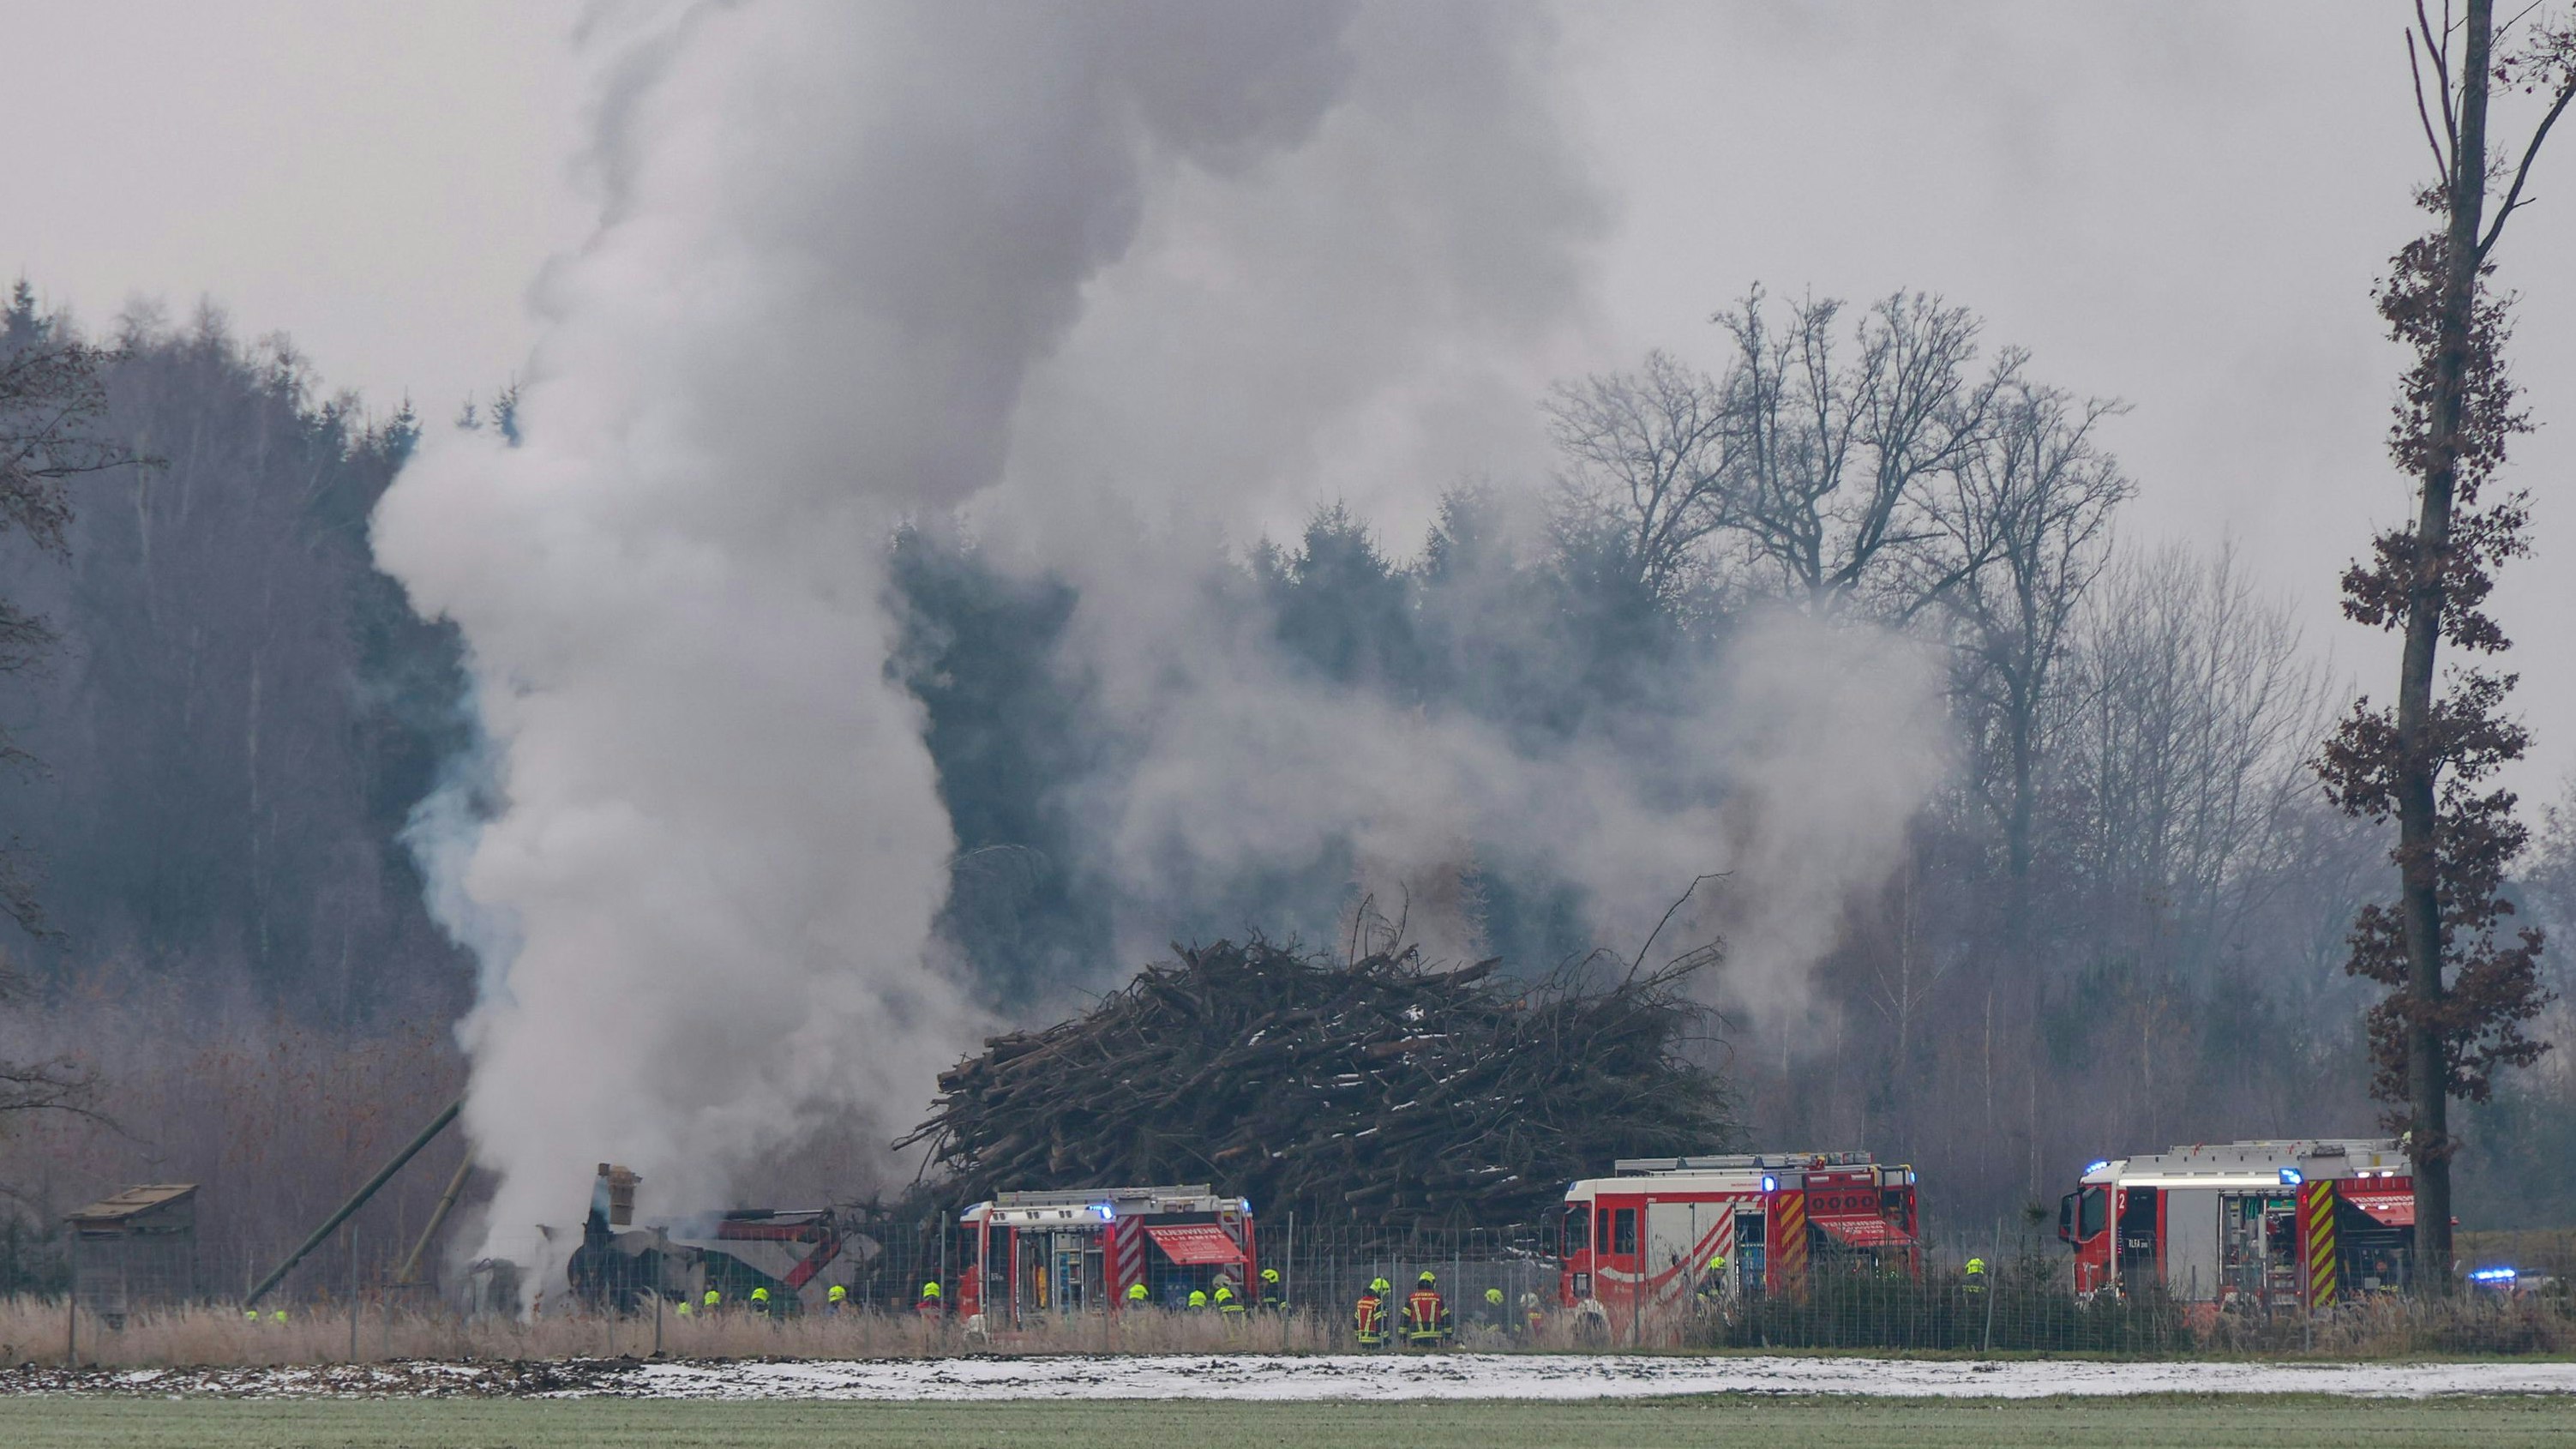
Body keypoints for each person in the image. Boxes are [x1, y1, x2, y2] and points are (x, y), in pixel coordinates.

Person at [1402, 1270, 1450, 1349]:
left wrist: (1403, 1337)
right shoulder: (1438, 1298)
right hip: (1434, 1336)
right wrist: (1448, 1336)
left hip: (1416, 1336)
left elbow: (1404, 1319)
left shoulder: (1411, 1298)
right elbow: (1446, 1318)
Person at [1354, 1281, 1388, 1349]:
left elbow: (1355, 1321)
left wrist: (1357, 1336)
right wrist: (1385, 1339)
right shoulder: (1377, 1303)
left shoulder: (1360, 1302)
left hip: (1362, 1339)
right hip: (1375, 1339)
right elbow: (1381, 1323)